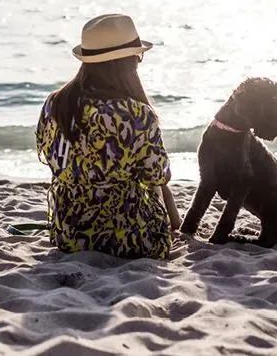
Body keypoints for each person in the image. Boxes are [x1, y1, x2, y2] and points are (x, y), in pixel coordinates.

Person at [36, 14, 182, 259]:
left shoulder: (55, 103)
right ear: (128, 62)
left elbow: (48, 153)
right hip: (130, 237)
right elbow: (158, 174)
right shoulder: (137, 113)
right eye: (138, 56)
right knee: (145, 183)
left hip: (69, 233)